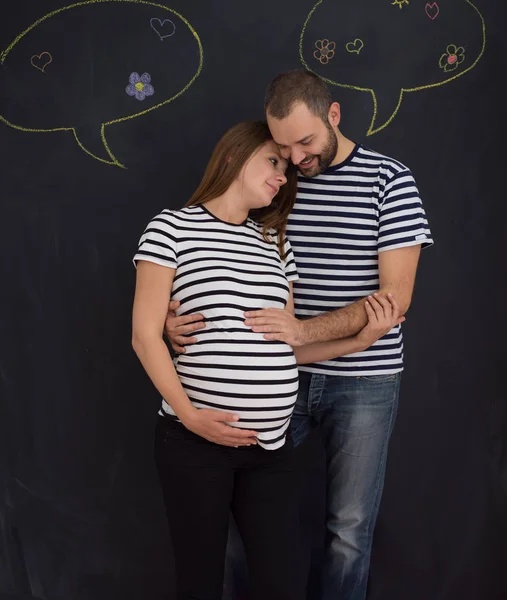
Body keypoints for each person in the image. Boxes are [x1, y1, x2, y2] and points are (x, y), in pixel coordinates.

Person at [163, 72, 434, 600]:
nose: (293, 159)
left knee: (348, 530)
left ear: (334, 115)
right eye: (282, 146)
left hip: (362, 379)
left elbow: (394, 299)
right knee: (250, 530)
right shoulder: (271, 178)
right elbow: (220, 253)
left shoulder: (390, 181)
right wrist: (177, 318)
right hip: (273, 380)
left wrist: (302, 330)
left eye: (304, 142)